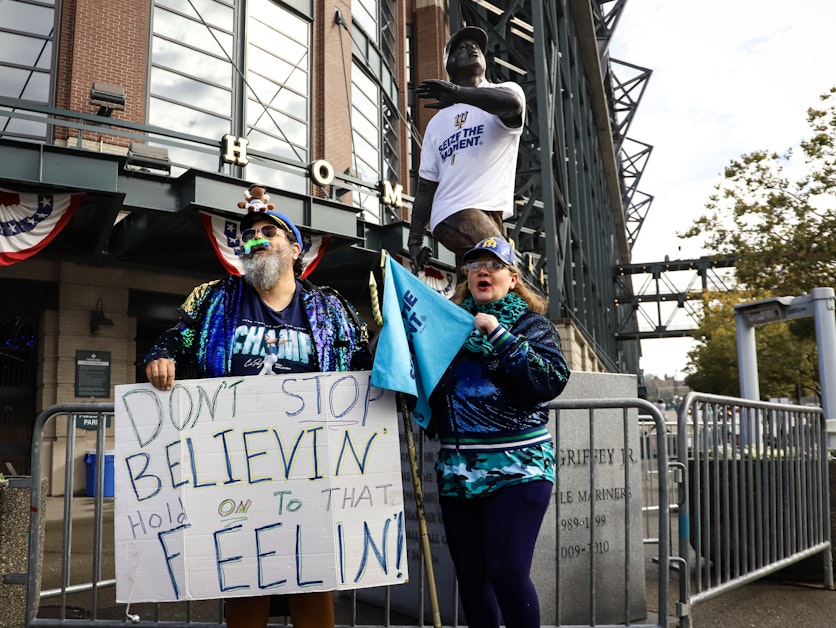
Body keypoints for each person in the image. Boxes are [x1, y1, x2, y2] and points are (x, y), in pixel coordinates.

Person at [144, 206, 371, 628]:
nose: (257, 238)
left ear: (295, 249)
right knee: (244, 571)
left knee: (312, 571)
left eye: (270, 231)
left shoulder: (330, 308)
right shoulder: (216, 300)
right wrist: (161, 356)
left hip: (310, 464)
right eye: (248, 234)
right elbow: (179, 337)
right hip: (236, 466)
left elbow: (364, 365)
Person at [427, 235, 570, 628]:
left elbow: (550, 380)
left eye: (494, 265)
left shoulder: (532, 325)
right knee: (471, 578)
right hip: (458, 470)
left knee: (507, 571)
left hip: (519, 467)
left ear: (513, 278)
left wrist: (498, 335)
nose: (483, 271)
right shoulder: (449, 329)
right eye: (475, 265)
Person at [408, 26, 526, 276]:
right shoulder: (437, 123)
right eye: (462, 48)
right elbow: (426, 188)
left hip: (490, 211)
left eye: (476, 47)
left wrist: (457, 94)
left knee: (475, 282)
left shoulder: (506, 91)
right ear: (450, 65)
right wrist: (415, 240)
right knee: (504, 270)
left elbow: (512, 105)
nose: (472, 48)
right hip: (452, 210)